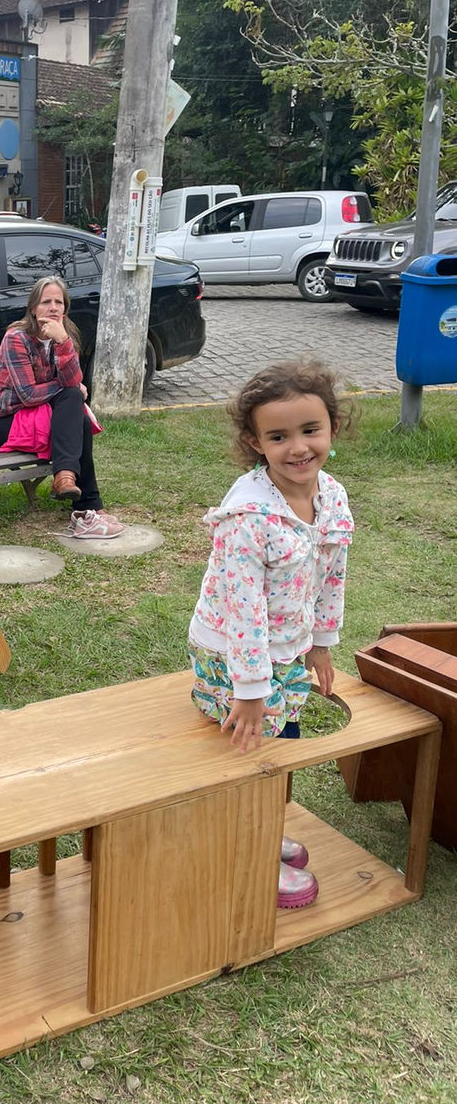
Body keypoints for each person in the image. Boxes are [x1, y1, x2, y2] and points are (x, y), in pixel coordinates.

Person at [188, 359, 354, 909]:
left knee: (285, 740)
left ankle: (263, 822)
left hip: (289, 646)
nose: (298, 448)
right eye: (278, 436)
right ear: (255, 442)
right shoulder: (248, 517)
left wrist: (323, 644)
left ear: (331, 426)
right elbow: (243, 612)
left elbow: (332, 574)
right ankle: (245, 843)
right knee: (251, 745)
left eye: (311, 430)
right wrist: (251, 690)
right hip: (231, 653)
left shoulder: (330, 495)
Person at [0, 275, 125, 539]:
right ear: (33, 308)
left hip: (41, 416)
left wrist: (63, 344)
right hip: (9, 422)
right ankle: (85, 502)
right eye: (45, 302)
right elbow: (27, 395)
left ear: (65, 308)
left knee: (77, 413)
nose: (52, 307)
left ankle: (72, 488)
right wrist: (66, 389)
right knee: (75, 406)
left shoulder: (64, 336)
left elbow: (73, 381)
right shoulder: (16, 338)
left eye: (58, 302)